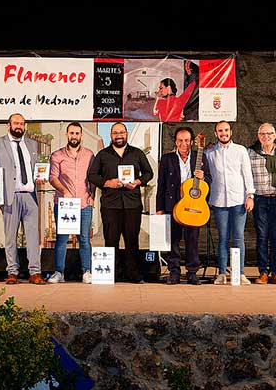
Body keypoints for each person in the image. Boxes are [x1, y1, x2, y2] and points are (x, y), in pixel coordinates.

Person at [0, 113, 45, 284]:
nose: (19, 126)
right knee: (10, 237)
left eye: (22, 123)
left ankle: (35, 272)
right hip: (10, 197)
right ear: (8, 125)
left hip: (30, 196)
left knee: (33, 237)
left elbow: (36, 168)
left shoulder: (32, 144)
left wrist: (39, 177)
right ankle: (12, 272)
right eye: (16, 123)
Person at [88, 123, 154, 283]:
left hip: (132, 204)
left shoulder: (137, 153)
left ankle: (134, 274)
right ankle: (112, 274)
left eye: (122, 132)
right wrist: (107, 183)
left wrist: (138, 181)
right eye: (116, 133)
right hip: (111, 204)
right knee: (111, 240)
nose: (119, 135)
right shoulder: (103, 155)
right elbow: (92, 175)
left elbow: (148, 173)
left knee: (132, 240)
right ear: (111, 135)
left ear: (126, 134)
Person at [156, 126, 211, 285]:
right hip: (173, 205)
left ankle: (192, 273)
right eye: (180, 140)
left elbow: (209, 179)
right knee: (173, 240)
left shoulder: (200, 158)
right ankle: (174, 272)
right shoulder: (167, 159)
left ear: (192, 142)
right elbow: (161, 185)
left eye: (187, 140)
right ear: (175, 142)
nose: (184, 143)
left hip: (194, 205)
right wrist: (160, 208)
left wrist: (204, 177)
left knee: (192, 240)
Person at [205, 120, 255, 285]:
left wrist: (250, 195)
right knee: (223, 238)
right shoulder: (209, 153)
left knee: (239, 237)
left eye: (226, 130)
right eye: (220, 131)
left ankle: (240, 273)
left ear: (231, 132)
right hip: (219, 201)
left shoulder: (241, 150)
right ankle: (221, 273)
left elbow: (247, 173)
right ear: (216, 133)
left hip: (239, 200)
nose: (223, 133)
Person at [47, 122, 96, 284]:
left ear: (81, 135)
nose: (74, 136)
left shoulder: (89, 155)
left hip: (84, 203)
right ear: (67, 135)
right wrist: (65, 191)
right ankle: (59, 272)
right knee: (61, 239)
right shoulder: (57, 155)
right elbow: (52, 178)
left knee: (84, 239)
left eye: (77, 133)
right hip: (64, 204)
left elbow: (93, 177)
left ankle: (87, 272)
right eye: (71, 133)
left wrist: (92, 196)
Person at [247, 123, 276, 285]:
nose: (266, 136)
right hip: (259, 199)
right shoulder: (250, 153)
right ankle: (263, 272)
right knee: (261, 236)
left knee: (275, 236)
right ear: (258, 135)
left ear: (275, 135)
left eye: (269, 133)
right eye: (262, 134)